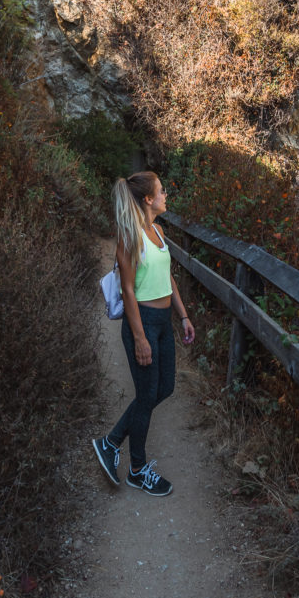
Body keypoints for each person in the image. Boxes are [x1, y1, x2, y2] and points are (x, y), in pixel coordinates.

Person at [92, 171, 195, 496]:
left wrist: (183, 315)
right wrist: (139, 337)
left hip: (164, 322)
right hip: (143, 323)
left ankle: (110, 443)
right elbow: (128, 290)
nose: (166, 195)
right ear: (148, 199)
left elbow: (168, 277)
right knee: (148, 394)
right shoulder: (130, 236)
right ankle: (137, 469)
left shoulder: (159, 231)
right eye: (162, 191)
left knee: (164, 388)